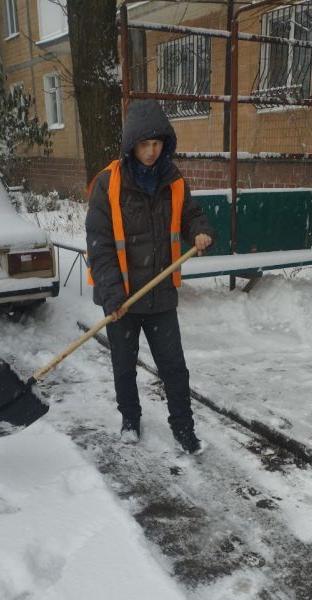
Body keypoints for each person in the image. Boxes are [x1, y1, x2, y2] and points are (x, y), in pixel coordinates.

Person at [85, 99, 213, 454]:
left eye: (158, 144)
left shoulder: (173, 181)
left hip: (160, 297)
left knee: (174, 367)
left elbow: (191, 215)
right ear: (131, 145)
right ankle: (130, 418)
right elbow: (100, 245)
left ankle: (184, 428)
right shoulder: (108, 185)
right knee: (124, 367)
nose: (152, 152)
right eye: (145, 144)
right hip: (122, 298)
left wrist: (199, 230)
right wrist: (112, 295)